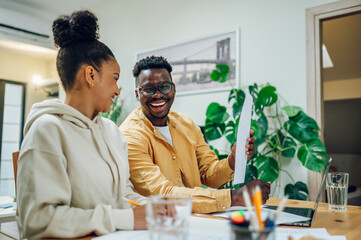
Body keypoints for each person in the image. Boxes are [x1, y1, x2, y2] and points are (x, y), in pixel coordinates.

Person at [16, 10, 147, 239]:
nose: (117, 89)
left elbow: (123, 194)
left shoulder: (112, 132)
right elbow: (37, 221)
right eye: (115, 78)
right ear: (90, 75)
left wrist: (155, 208)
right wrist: (123, 219)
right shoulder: (47, 130)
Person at [120, 55, 270, 213]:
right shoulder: (130, 136)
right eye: (149, 89)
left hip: (201, 217)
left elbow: (208, 174)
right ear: (137, 94)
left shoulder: (186, 124)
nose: (158, 95)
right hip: (159, 222)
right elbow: (162, 193)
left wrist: (233, 160)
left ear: (173, 88)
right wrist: (236, 197)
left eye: (164, 87)